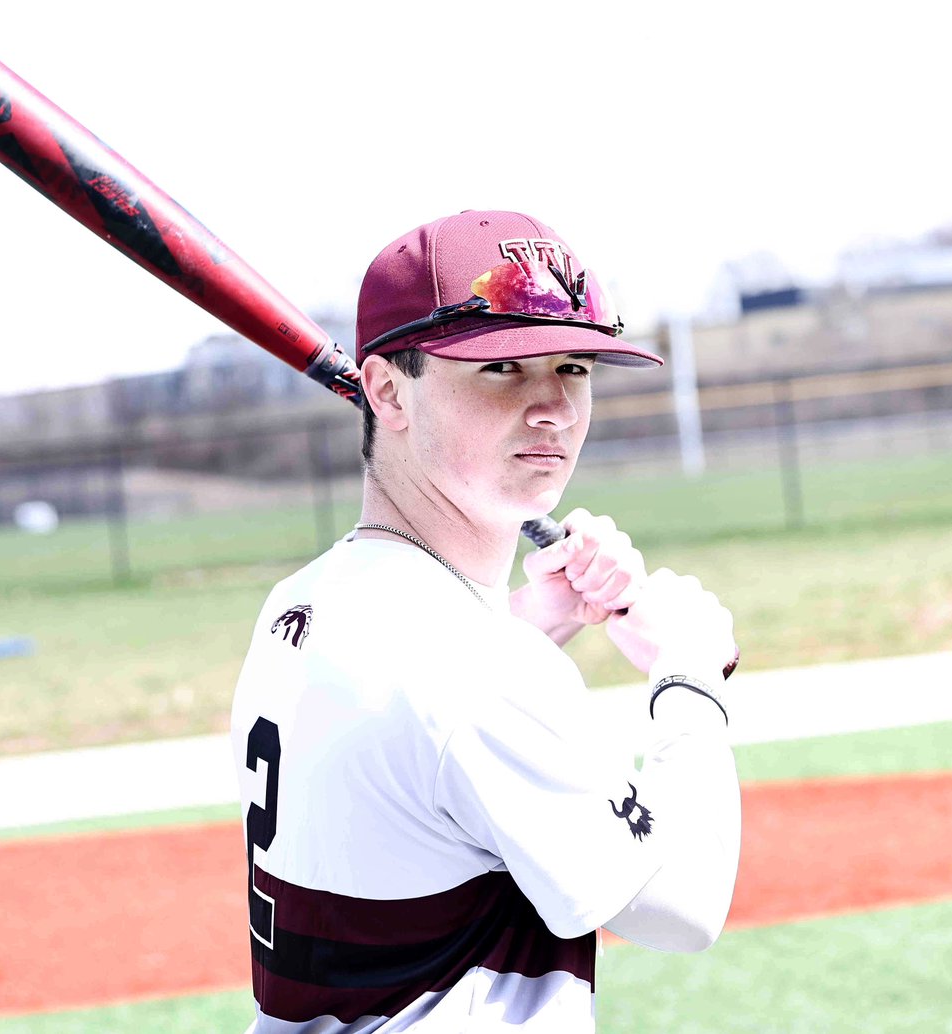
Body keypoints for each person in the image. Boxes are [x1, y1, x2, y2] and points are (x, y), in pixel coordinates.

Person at [231, 210, 740, 1032]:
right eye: (501, 366)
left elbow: (414, 737)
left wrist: (534, 617)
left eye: (573, 366)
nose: (552, 408)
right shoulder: (478, 672)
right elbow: (685, 906)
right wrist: (690, 678)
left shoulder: (302, 603)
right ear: (387, 392)